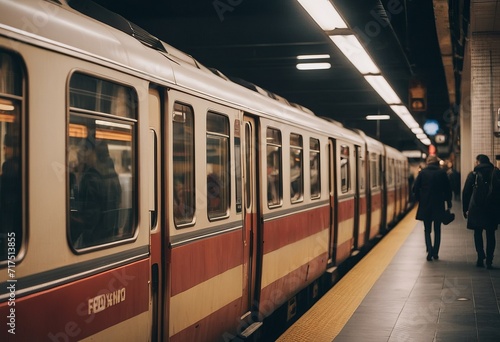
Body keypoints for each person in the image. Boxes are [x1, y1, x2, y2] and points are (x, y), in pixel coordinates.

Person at [71, 138, 121, 247]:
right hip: (109, 234)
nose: (79, 155)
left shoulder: (91, 177)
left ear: (93, 153)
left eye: (83, 151)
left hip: (94, 239)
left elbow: (90, 216)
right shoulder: (112, 174)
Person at [462, 154, 499, 269]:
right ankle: (489, 260)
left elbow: (466, 193)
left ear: (478, 162)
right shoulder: (496, 173)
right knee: (491, 234)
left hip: (476, 208)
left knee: (477, 233)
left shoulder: (473, 174)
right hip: (492, 208)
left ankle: (480, 256)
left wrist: (465, 209)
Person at [413, 155, 452, 261]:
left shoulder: (423, 173)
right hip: (438, 205)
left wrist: (419, 199)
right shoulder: (442, 173)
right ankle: (435, 252)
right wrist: (448, 202)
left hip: (425, 205)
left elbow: (415, 188)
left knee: (427, 230)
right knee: (437, 229)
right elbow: (448, 189)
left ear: (428, 162)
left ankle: (429, 250)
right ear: (436, 163)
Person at [0, 134, 22, 258]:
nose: (4, 150)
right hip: (17, 217)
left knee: (9, 250)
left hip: (8, 216)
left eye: (6, 147)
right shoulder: (23, 164)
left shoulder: (8, 166)